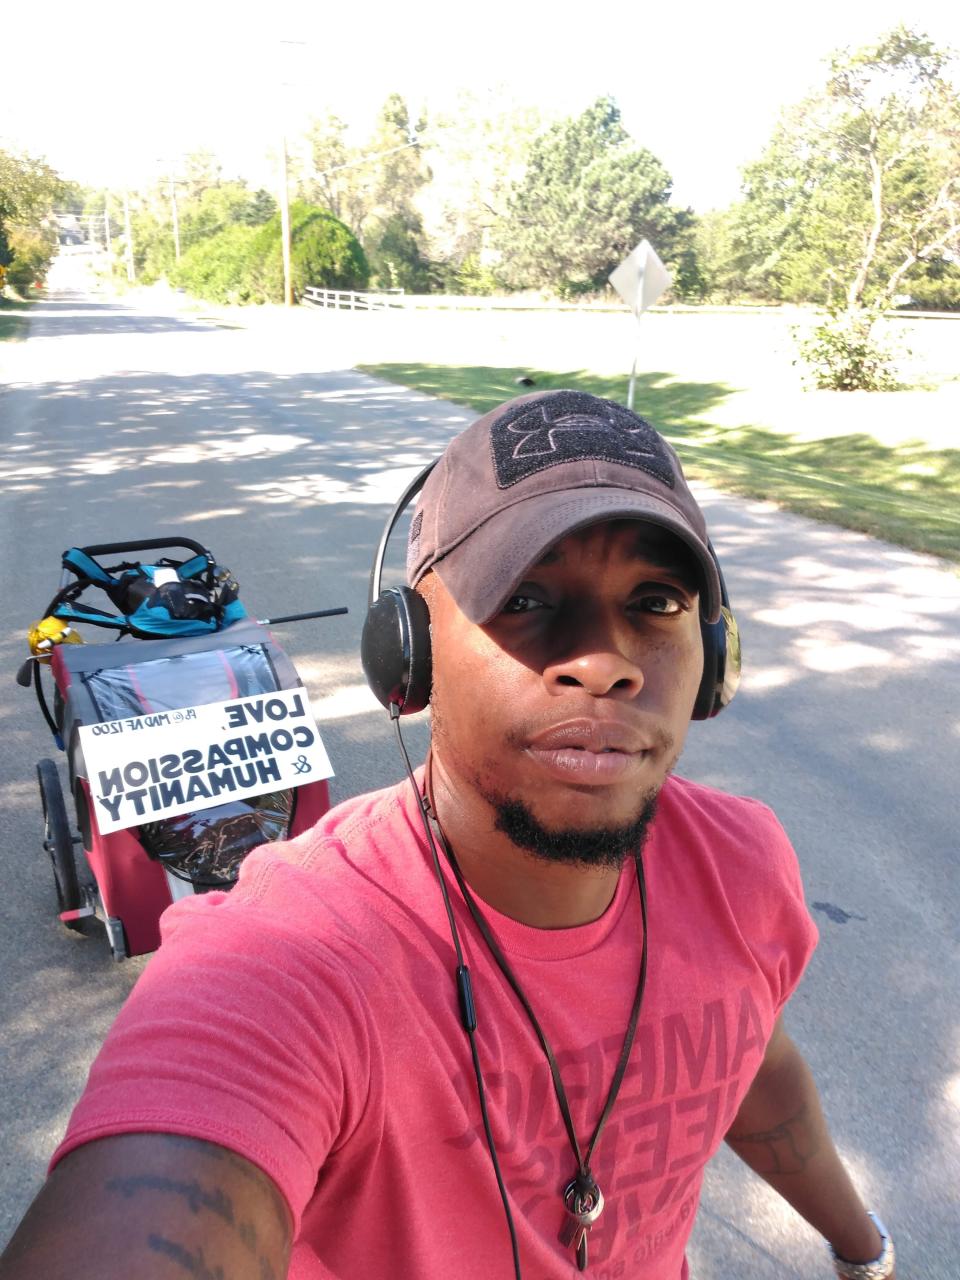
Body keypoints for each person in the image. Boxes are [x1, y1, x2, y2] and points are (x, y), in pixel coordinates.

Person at [0, 390, 894, 1280]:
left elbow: (746, 1058)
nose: (604, 661)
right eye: (529, 595)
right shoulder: (291, 953)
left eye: (656, 601)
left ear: (713, 657)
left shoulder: (740, 863)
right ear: (408, 654)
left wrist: (865, 1251)